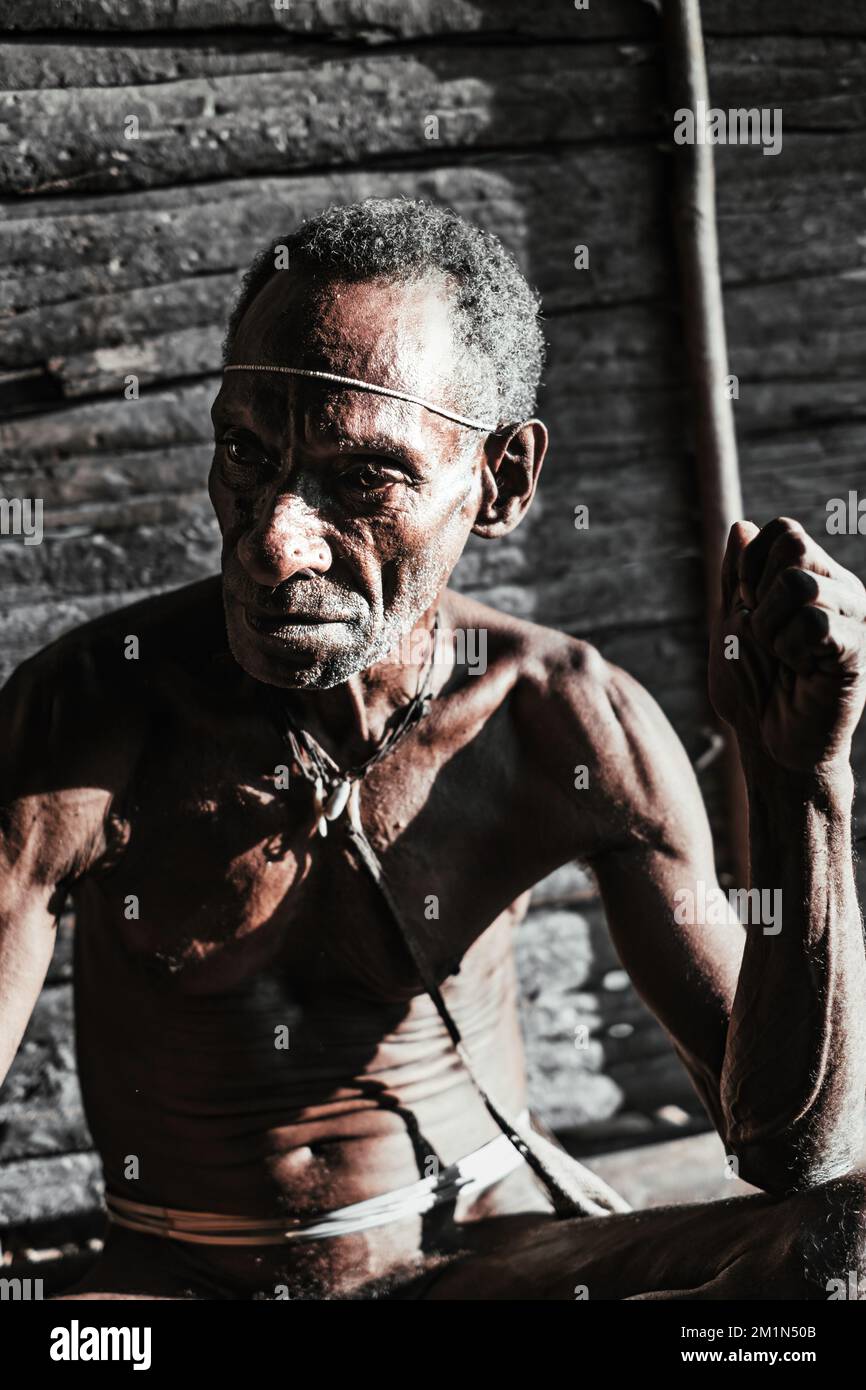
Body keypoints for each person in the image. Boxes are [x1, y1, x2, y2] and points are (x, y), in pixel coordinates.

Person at [2, 200, 865, 1300]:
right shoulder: (88, 716)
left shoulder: (560, 718)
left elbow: (794, 1155)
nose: (274, 541)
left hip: (476, 1268)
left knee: (842, 1251)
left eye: (362, 479)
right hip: (178, 1286)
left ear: (500, 480)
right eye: (246, 452)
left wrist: (801, 781)